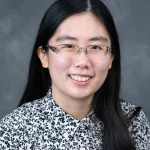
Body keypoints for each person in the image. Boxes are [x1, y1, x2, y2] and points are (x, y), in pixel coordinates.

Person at [0, 0, 150, 149]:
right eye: (68, 46)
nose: (83, 61)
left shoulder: (132, 123)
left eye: (96, 47)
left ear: (111, 57)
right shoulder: (14, 132)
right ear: (44, 56)